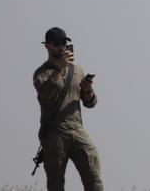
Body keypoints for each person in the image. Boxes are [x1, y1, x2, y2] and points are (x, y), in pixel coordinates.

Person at [33, 27, 103, 191]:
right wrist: (58, 68)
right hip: (54, 135)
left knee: (94, 179)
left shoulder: (77, 70)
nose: (62, 47)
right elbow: (47, 93)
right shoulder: (41, 73)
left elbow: (90, 103)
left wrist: (87, 90)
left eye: (64, 43)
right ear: (47, 46)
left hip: (77, 131)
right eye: (57, 44)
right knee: (56, 184)